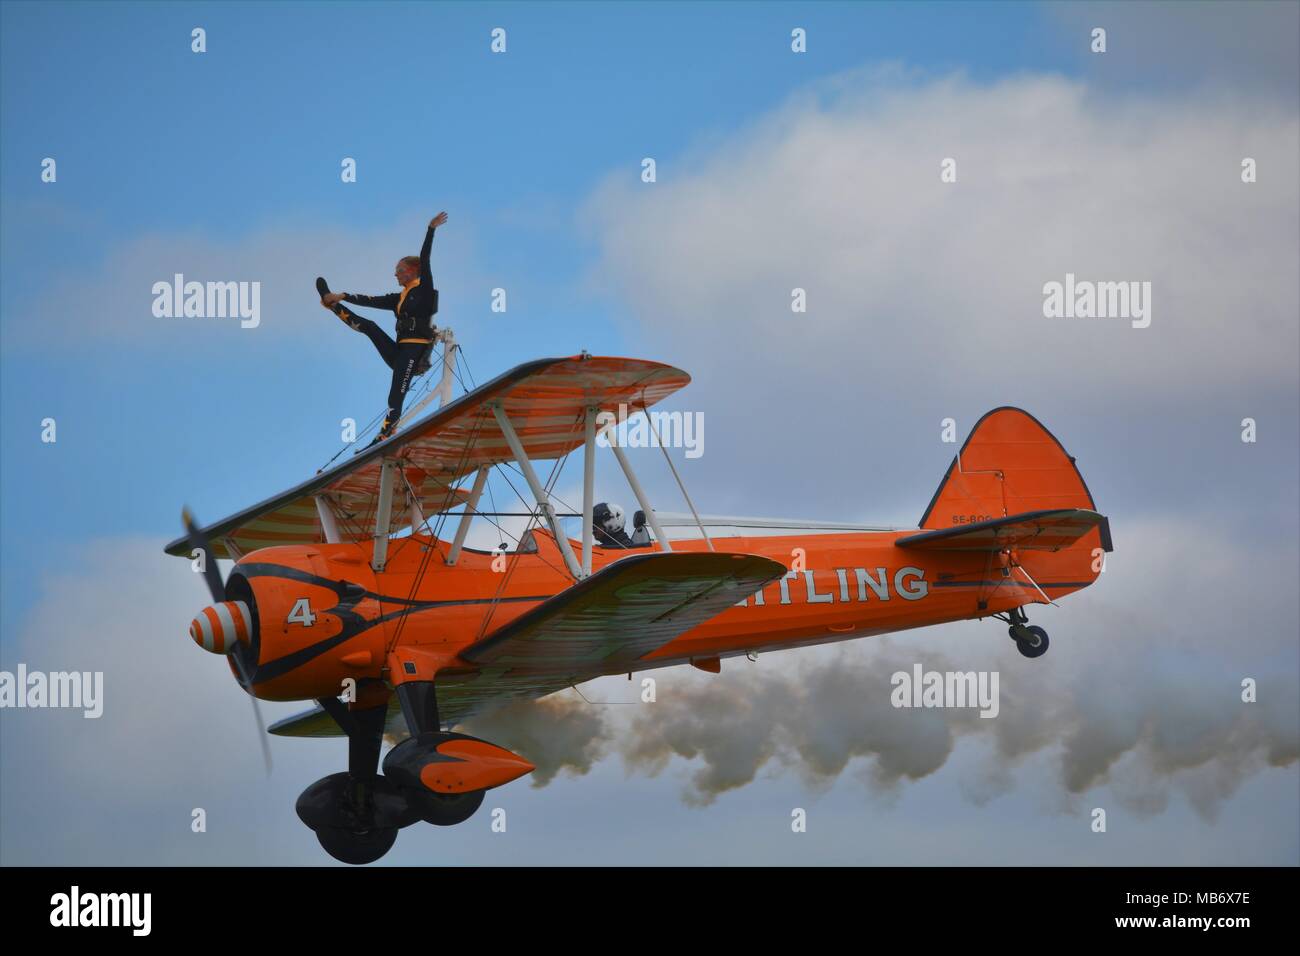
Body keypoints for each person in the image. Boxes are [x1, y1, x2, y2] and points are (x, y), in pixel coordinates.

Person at [318, 211, 447, 448]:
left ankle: (385, 434)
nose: (395, 275)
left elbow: (425, 258)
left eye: (398, 270)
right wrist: (342, 295)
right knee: (370, 326)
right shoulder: (399, 297)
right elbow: (371, 300)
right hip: (399, 352)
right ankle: (333, 305)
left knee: (396, 392)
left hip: (414, 354)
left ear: (411, 270)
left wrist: (430, 229)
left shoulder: (424, 288)